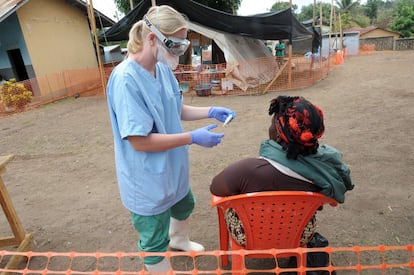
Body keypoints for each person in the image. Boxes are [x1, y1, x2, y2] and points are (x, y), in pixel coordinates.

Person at [106, 5, 235, 273]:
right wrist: (191, 138)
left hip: (171, 166)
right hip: (146, 176)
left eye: (181, 44)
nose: (178, 51)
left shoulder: (161, 68)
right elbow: (139, 141)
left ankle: (179, 239)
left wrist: (209, 111)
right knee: (153, 237)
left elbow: (174, 108)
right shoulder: (126, 80)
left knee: (184, 202)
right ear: (151, 38)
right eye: (174, 44)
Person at [210, 95, 354, 245]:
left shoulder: (248, 171)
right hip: (299, 234)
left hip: (250, 237)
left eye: (273, 123)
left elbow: (215, 187)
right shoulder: (324, 171)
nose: (270, 127)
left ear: (279, 134)